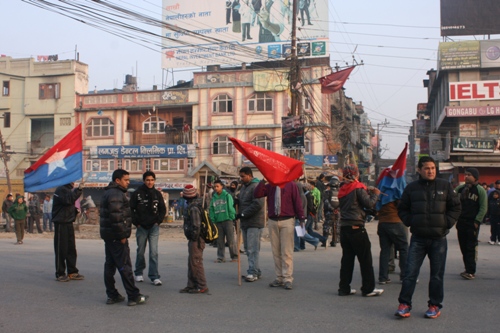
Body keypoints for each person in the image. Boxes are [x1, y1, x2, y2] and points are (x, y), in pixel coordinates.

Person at [395, 156, 461, 319]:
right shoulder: (411, 188)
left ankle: (434, 305)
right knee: (410, 273)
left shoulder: (444, 186)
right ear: (419, 170)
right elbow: (402, 209)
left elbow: (456, 207)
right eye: (426, 168)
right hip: (418, 238)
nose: (430, 171)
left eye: (432, 168)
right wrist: (411, 222)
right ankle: (404, 304)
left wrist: (446, 223)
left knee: (437, 274)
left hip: (439, 239)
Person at [100, 169, 148, 306]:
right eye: (126, 180)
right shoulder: (116, 194)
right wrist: (122, 236)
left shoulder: (109, 192)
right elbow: (116, 218)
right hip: (116, 237)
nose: (128, 182)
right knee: (124, 266)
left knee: (109, 265)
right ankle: (133, 296)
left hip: (109, 236)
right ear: (117, 180)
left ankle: (112, 294)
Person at [337, 165, 383, 297]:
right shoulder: (357, 187)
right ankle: (368, 288)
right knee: (365, 259)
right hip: (356, 226)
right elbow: (368, 204)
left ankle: (344, 288)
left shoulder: (342, 189)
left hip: (344, 227)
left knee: (347, 259)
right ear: (356, 174)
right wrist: (375, 195)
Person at [254, 179, 306, 290]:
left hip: (287, 220)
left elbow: (297, 202)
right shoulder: (270, 185)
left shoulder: (291, 185)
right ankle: (279, 277)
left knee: (286, 251)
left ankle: (287, 278)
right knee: (276, 251)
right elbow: (257, 194)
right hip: (273, 221)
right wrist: (263, 181)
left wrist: (301, 218)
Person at [130, 171, 167, 286]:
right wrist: (137, 223)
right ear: (144, 181)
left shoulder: (157, 194)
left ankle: (154, 276)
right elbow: (131, 210)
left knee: (154, 253)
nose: (150, 182)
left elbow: (162, 209)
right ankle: (139, 273)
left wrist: (158, 222)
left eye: (152, 180)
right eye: (147, 180)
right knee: (140, 251)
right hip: (141, 227)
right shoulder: (137, 193)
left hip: (154, 227)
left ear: (154, 181)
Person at [454, 168, 488, 280]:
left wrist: (477, 221)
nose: (466, 176)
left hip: (472, 223)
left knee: (470, 247)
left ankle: (470, 271)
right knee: (463, 246)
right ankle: (467, 268)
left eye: (469, 175)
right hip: (461, 222)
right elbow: (452, 201)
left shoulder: (480, 190)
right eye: (465, 174)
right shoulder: (460, 189)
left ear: (475, 177)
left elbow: (483, 207)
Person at [236, 167, 265, 282]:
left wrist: (243, 214)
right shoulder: (243, 188)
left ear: (249, 175)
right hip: (245, 222)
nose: (241, 179)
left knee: (253, 248)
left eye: (243, 176)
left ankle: (252, 272)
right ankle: (255, 270)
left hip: (254, 222)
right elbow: (243, 202)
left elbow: (257, 204)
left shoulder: (257, 186)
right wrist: (237, 201)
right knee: (248, 248)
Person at [52, 182, 84, 282]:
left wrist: (75, 211)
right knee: (61, 249)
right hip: (61, 222)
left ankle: (72, 271)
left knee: (71, 249)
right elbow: (68, 200)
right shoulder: (60, 189)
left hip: (68, 222)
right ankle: (60, 273)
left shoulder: (68, 190)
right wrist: (78, 190)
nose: (73, 182)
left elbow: (68, 205)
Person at [180, 184, 209, 294]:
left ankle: (202, 286)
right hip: (194, 238)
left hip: (196, 239)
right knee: (192, 262)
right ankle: (191, 285)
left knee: (196, 262)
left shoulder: (194, 208)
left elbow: (196, 226)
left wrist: (194, 238)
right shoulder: (193, 205)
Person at [209, 180, 238, 263]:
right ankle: (221, 257)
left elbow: (230, 207)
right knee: (220, 240)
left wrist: (232, 217)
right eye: (215, 187)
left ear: (222, 186)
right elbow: (211, 209)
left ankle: (234, 256)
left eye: (217, 186)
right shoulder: (214, 197)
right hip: (218, 221)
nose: (216, 188)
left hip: (227, 220)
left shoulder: (227, 195)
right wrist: (212, 219)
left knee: (230, 240)